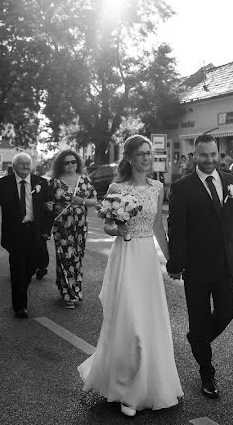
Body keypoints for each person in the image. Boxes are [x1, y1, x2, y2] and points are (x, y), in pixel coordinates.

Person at [78, 135, 182, 417]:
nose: (146, 158)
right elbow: (109, 225)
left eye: (149, 153)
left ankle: (142, 387)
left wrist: (172, 261)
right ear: (130, 158)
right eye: (141, 154)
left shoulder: (158, 187)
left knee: (148, 322)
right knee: (129, 322)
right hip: (125, 257)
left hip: (147, 258)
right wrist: (118, 230)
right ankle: (125, 388)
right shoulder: (116, 187)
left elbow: (158, 227)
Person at [167, 133, 233, 399]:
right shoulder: (181, 187)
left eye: (213, 154)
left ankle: (197, 340)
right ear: (195, 156)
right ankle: (207, 373)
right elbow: (176, 229)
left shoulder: (231, 181)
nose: (210, 159)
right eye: (204, 155)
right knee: (199, 320)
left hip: (227, 264)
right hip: (197, 267)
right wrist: (175, 264)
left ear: (218, 153)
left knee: (229, 310)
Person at [0, 153, 54, 318]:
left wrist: (47, 230)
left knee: (31, 266)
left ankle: (21, 286)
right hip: (14, 233)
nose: (25, 166)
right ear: (14, 166)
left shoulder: (41, 182)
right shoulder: (3, 183)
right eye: (21, 164)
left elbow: (49, 209)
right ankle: (20, 306)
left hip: (35, 231)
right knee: (17, 269)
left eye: (27, 164)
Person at [49, 149, 98, 309]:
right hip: (62, 227)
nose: (70, 165)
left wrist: (81, 200)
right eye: (66, 162)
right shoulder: (54, 182)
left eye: (73, 162)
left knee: (77, 258)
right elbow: (47, 203)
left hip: (80, 226)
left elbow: (95, 201)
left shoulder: (84, 180)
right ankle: (71, 294)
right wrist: (47, 206)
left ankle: (66, 286)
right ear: (60, 165)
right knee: (66, 258)